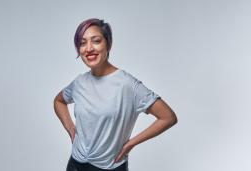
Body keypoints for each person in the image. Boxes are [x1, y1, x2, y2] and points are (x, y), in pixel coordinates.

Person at [53, 18, 178, 171]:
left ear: (108, 44)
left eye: (96, 41)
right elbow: (58, 101)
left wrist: (131, 143)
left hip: (109, 167)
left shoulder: (128, 85)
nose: (89, 48)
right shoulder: (79, 83)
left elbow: (168, 117)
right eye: (82, 43)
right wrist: (71, 128)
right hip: (75, 165)